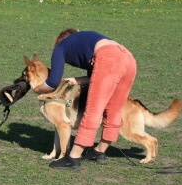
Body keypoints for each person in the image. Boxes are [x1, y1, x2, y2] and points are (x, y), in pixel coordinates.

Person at [34, 28, 137, 169]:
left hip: (108, 58)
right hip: (128, 58)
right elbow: (93, 76)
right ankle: (99, 151)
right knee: (114, 110)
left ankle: (73, 158)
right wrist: (75, 79)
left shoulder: (60, 46)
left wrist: (38, 89)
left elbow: (53, 81)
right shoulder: (87, 39)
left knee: (94, 110)